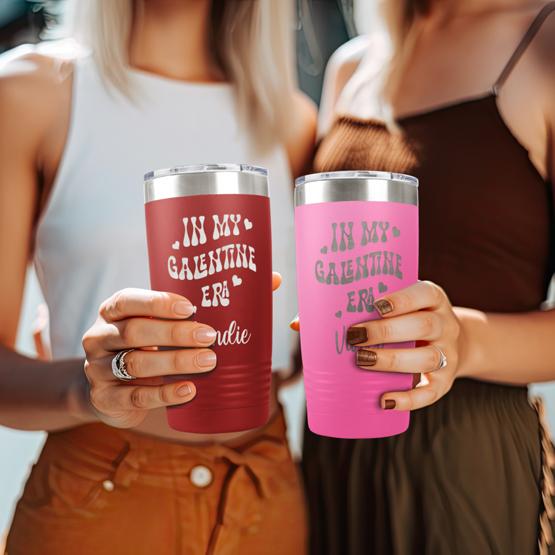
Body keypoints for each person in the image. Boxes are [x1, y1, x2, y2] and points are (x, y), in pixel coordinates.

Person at [0, 1, 316, 554]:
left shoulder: (290, 119)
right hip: (100, 502)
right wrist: (87, 386)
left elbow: (282, 358)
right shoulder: (32, 93)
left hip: (265, 497)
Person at [300, 1, 555, 553]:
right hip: (331, 451)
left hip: (462, 459)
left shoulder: (545, 43)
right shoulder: (353, 64)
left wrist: (465, 342)